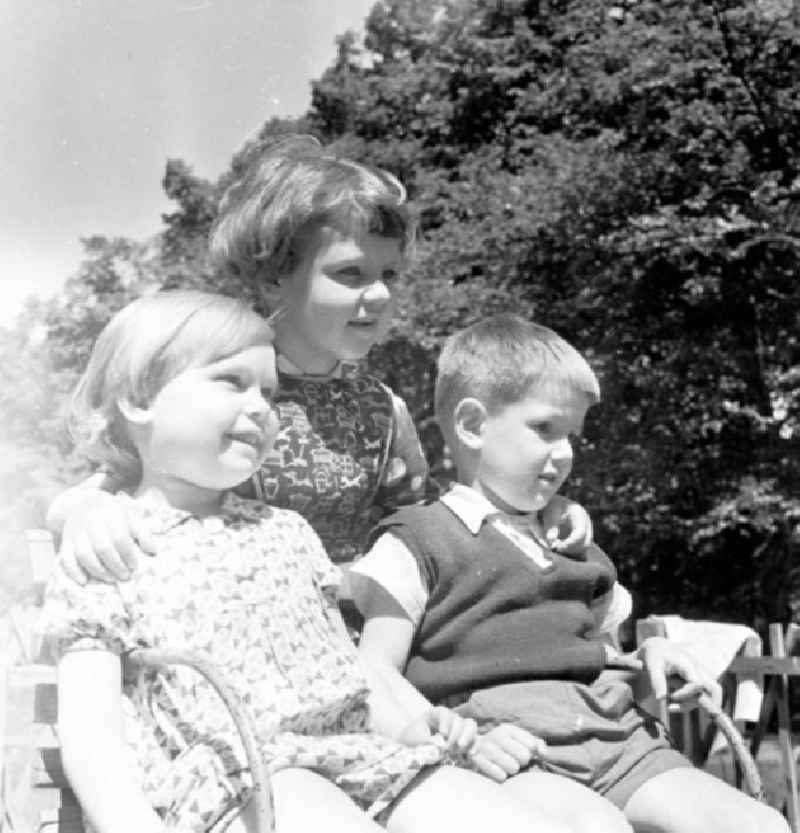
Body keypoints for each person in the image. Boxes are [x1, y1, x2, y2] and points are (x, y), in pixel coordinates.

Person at [39, 291, 574, 833]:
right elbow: (92, 739)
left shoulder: (288, 532)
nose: (259, 407)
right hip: (245, 782)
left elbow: (348, 674)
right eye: (231, 382)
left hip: (365, 761)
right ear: (139, 398)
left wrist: (416, 725)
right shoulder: (109, 546)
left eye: (268, 392)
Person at [46, 134, 593, 582]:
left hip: (352, 637)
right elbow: (108, 482)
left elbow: (426, 526)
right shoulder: (217, 388)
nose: (378, 295)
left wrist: (534, 512)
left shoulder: (381, 410)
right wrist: (83, 511)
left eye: (389, 276)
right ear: (276, 271)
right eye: (350, 274)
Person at [351, 313, 790, 833]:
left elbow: (602, 653)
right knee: (597, 829)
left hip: (618, 741)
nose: (564, 453)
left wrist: (651, 658)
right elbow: (371, 672)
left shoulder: (574, 545)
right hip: (512, 751)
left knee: (759, 825)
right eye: (544, 429)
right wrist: (447, 735)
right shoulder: (418, 539)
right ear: (472, 426)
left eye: (572, 435)